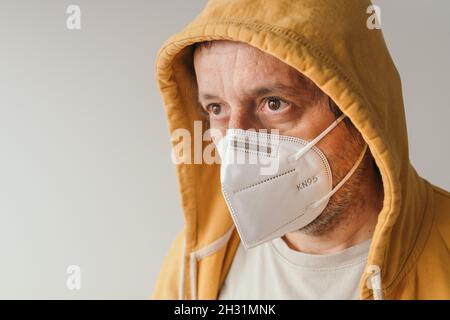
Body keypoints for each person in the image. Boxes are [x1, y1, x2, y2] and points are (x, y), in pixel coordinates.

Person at [153, 0, 450, 300]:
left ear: (360, 111)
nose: (238, 139)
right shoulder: (198, 260)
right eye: (216, 108)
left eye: (274, 103)